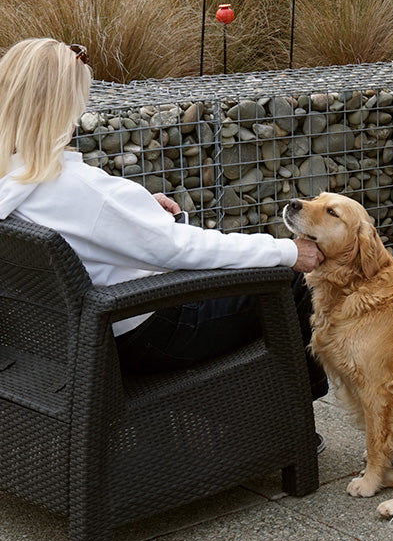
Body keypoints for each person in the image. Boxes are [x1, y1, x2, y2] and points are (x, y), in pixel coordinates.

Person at [0, 38, 328, 400]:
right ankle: (291, 425)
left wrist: (138, 210)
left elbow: (91, 227)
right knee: (292, 284)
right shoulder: (81, 190)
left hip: (72, 343)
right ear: (64, 108)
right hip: (145, 334)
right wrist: (286, 251)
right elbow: (182, 249)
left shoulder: (14, 183)